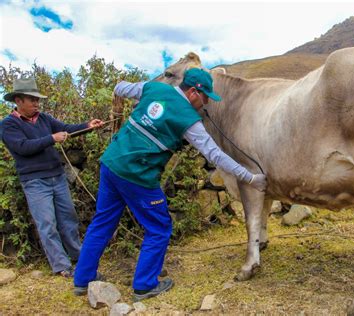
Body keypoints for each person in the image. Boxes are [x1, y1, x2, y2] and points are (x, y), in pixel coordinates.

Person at [73, 68, 267, 301]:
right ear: (194, 92)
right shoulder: (188, 119)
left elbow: (120, 88)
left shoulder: (155, 88)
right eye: (205, 98)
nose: (206, 104)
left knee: (102, 222)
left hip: (111, 164)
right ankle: (144, 285)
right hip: (138, 175)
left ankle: (82, 280)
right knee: (159, 227)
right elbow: (215, 155)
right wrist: (250, 177)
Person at [1, 77, 104, 277]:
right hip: (35, 182)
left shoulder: (44, 118)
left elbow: (66, 129)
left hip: (57, 177)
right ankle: (62, 266)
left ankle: (78, 256)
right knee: (47, 224)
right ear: (19, 100)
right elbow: (22, 147)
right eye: (32, 100)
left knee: (69, 218)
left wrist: (88, 125)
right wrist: (51, 139)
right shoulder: (8, 125)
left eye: (38, 100)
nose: (37, 103)